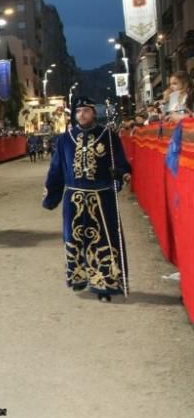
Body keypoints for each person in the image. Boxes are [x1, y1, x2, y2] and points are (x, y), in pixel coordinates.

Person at [43, 96, 132, 303]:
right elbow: (56, 170)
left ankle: (105, 285)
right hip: (73, 198)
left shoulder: (108, 136)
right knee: (74, 239)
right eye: (78, 111)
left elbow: (120, 162)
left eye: (85, 111)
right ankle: (79, 278)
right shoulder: (65, 139)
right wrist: (51, 196)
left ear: (93, 113)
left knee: (103, 240)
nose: (81, 115)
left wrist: (121, 173)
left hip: (102, 198)